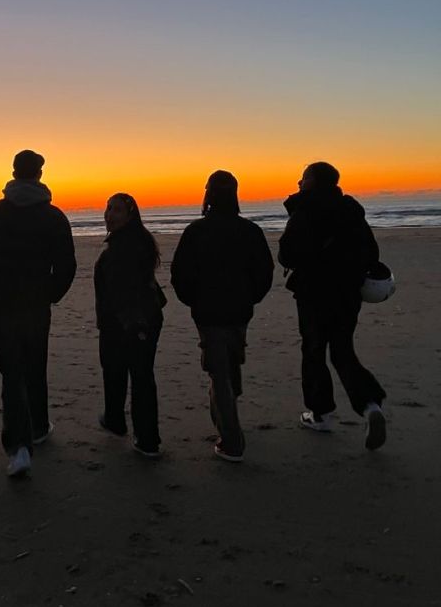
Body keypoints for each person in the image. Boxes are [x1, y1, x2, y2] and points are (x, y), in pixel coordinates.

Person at [0, 150, 76, 477]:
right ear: (39, 174)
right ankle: (34, 430)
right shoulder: (52, 216)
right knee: (34, 366)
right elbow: (66, 267)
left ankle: (21, 441)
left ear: (14, 172)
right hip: (33, 305)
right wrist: (49, 294)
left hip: (6, 305)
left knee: (12, 372)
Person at [278, 161, 387, 449]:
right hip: (347, 294)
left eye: (303, 178)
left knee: (314, 350)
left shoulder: (304, 211)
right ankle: (370, 406)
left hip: (313, 294)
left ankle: (321, 414)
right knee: (342, 350)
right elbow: (371, 252)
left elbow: (287, 254)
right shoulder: (351, 212)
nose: (299, 183)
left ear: (313, 181)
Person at [170, 171, 273, 462]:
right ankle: (226, 420)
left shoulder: (197, 231)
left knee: (220, 370)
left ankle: (231, 441)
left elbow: (180, 273)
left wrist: (194, 300)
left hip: (211, 311)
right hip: (238, 309)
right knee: (228, 361)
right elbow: (264, 272)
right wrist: (250, 297)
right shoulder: (249, 231)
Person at [95, 193, 166, 457]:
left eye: (116, 210)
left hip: (130, 323)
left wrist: (132, 325)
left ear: (130, 215)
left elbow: (125, 291)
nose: (109, 215)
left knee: (135, 376)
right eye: (108, 208)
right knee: (127, 374)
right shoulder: (134, 241)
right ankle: (118, 422)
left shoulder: (126, 247)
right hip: (138, 319)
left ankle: (146, 438)